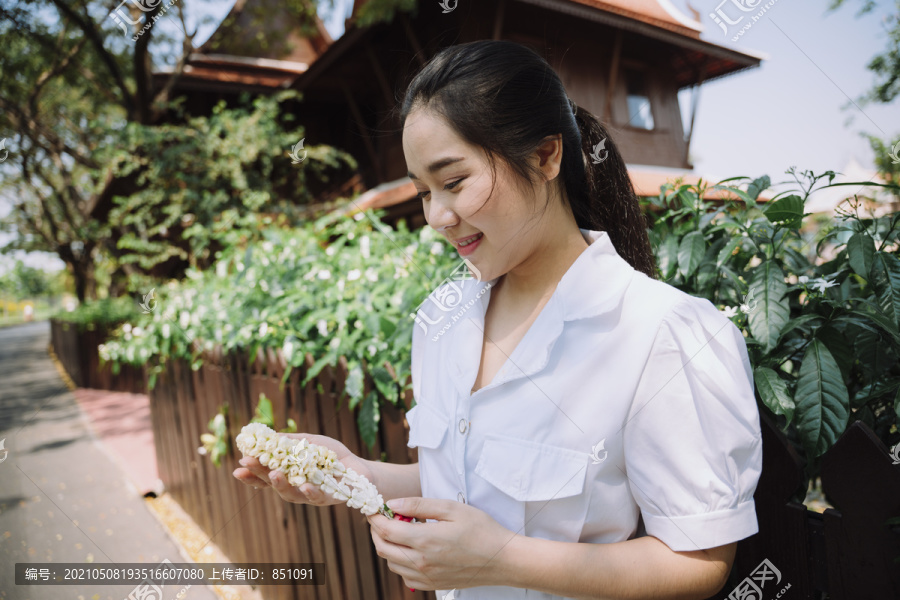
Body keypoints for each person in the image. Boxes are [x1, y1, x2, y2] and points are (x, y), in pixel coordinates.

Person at [234, 39, 762, 600]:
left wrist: (503, 560)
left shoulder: (663, 332)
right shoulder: (442, 319)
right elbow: (472, 481)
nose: (437, 216)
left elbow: (698, 561)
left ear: (545, 156)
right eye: (423, 192)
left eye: (454, 181)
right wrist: (353, 475)